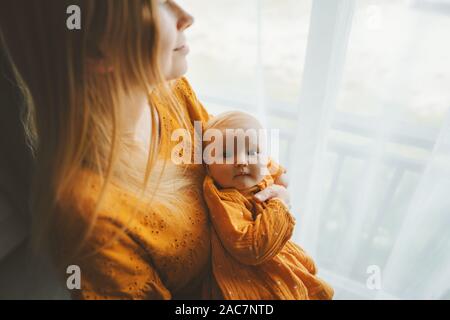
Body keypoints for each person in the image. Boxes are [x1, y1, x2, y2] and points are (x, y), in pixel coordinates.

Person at [0, 0, 290, 299]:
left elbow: (232, 165)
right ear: (97, 47)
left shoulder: (173, 90)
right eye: (158, 5)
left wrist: (269, 190)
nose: (187, 18)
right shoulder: (89, 213)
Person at [201, 111, 334, 299]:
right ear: (207, 166)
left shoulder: (258, 170)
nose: (242, 161)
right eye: (226, 154)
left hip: (284, 261)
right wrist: (279, 203)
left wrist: (277, 175)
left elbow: (281, 176)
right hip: (256, 281)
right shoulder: (225, 199)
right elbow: (252, 248)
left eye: (252, 152)